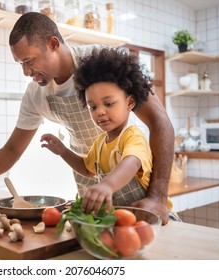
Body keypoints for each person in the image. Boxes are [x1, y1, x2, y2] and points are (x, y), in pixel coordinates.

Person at [0, 12, 174, 225]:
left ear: (53, 44)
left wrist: (158, 198)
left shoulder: (101, 63)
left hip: (136, 187)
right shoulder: (36, 95)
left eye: (29, 61)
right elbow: (11, 151)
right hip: (90, 187)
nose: (27, 72)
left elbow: (160, 122)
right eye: (20, 64)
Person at [40, 47, 153, 214]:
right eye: (92, 106)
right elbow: (86, 169)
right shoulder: (100, 144)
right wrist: (63, 151)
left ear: (129, 103)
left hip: (150, 218)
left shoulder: (132, 136)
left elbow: (132, 162)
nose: (99, 112)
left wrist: (107, 185)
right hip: (122, 221)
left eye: (108, 104)